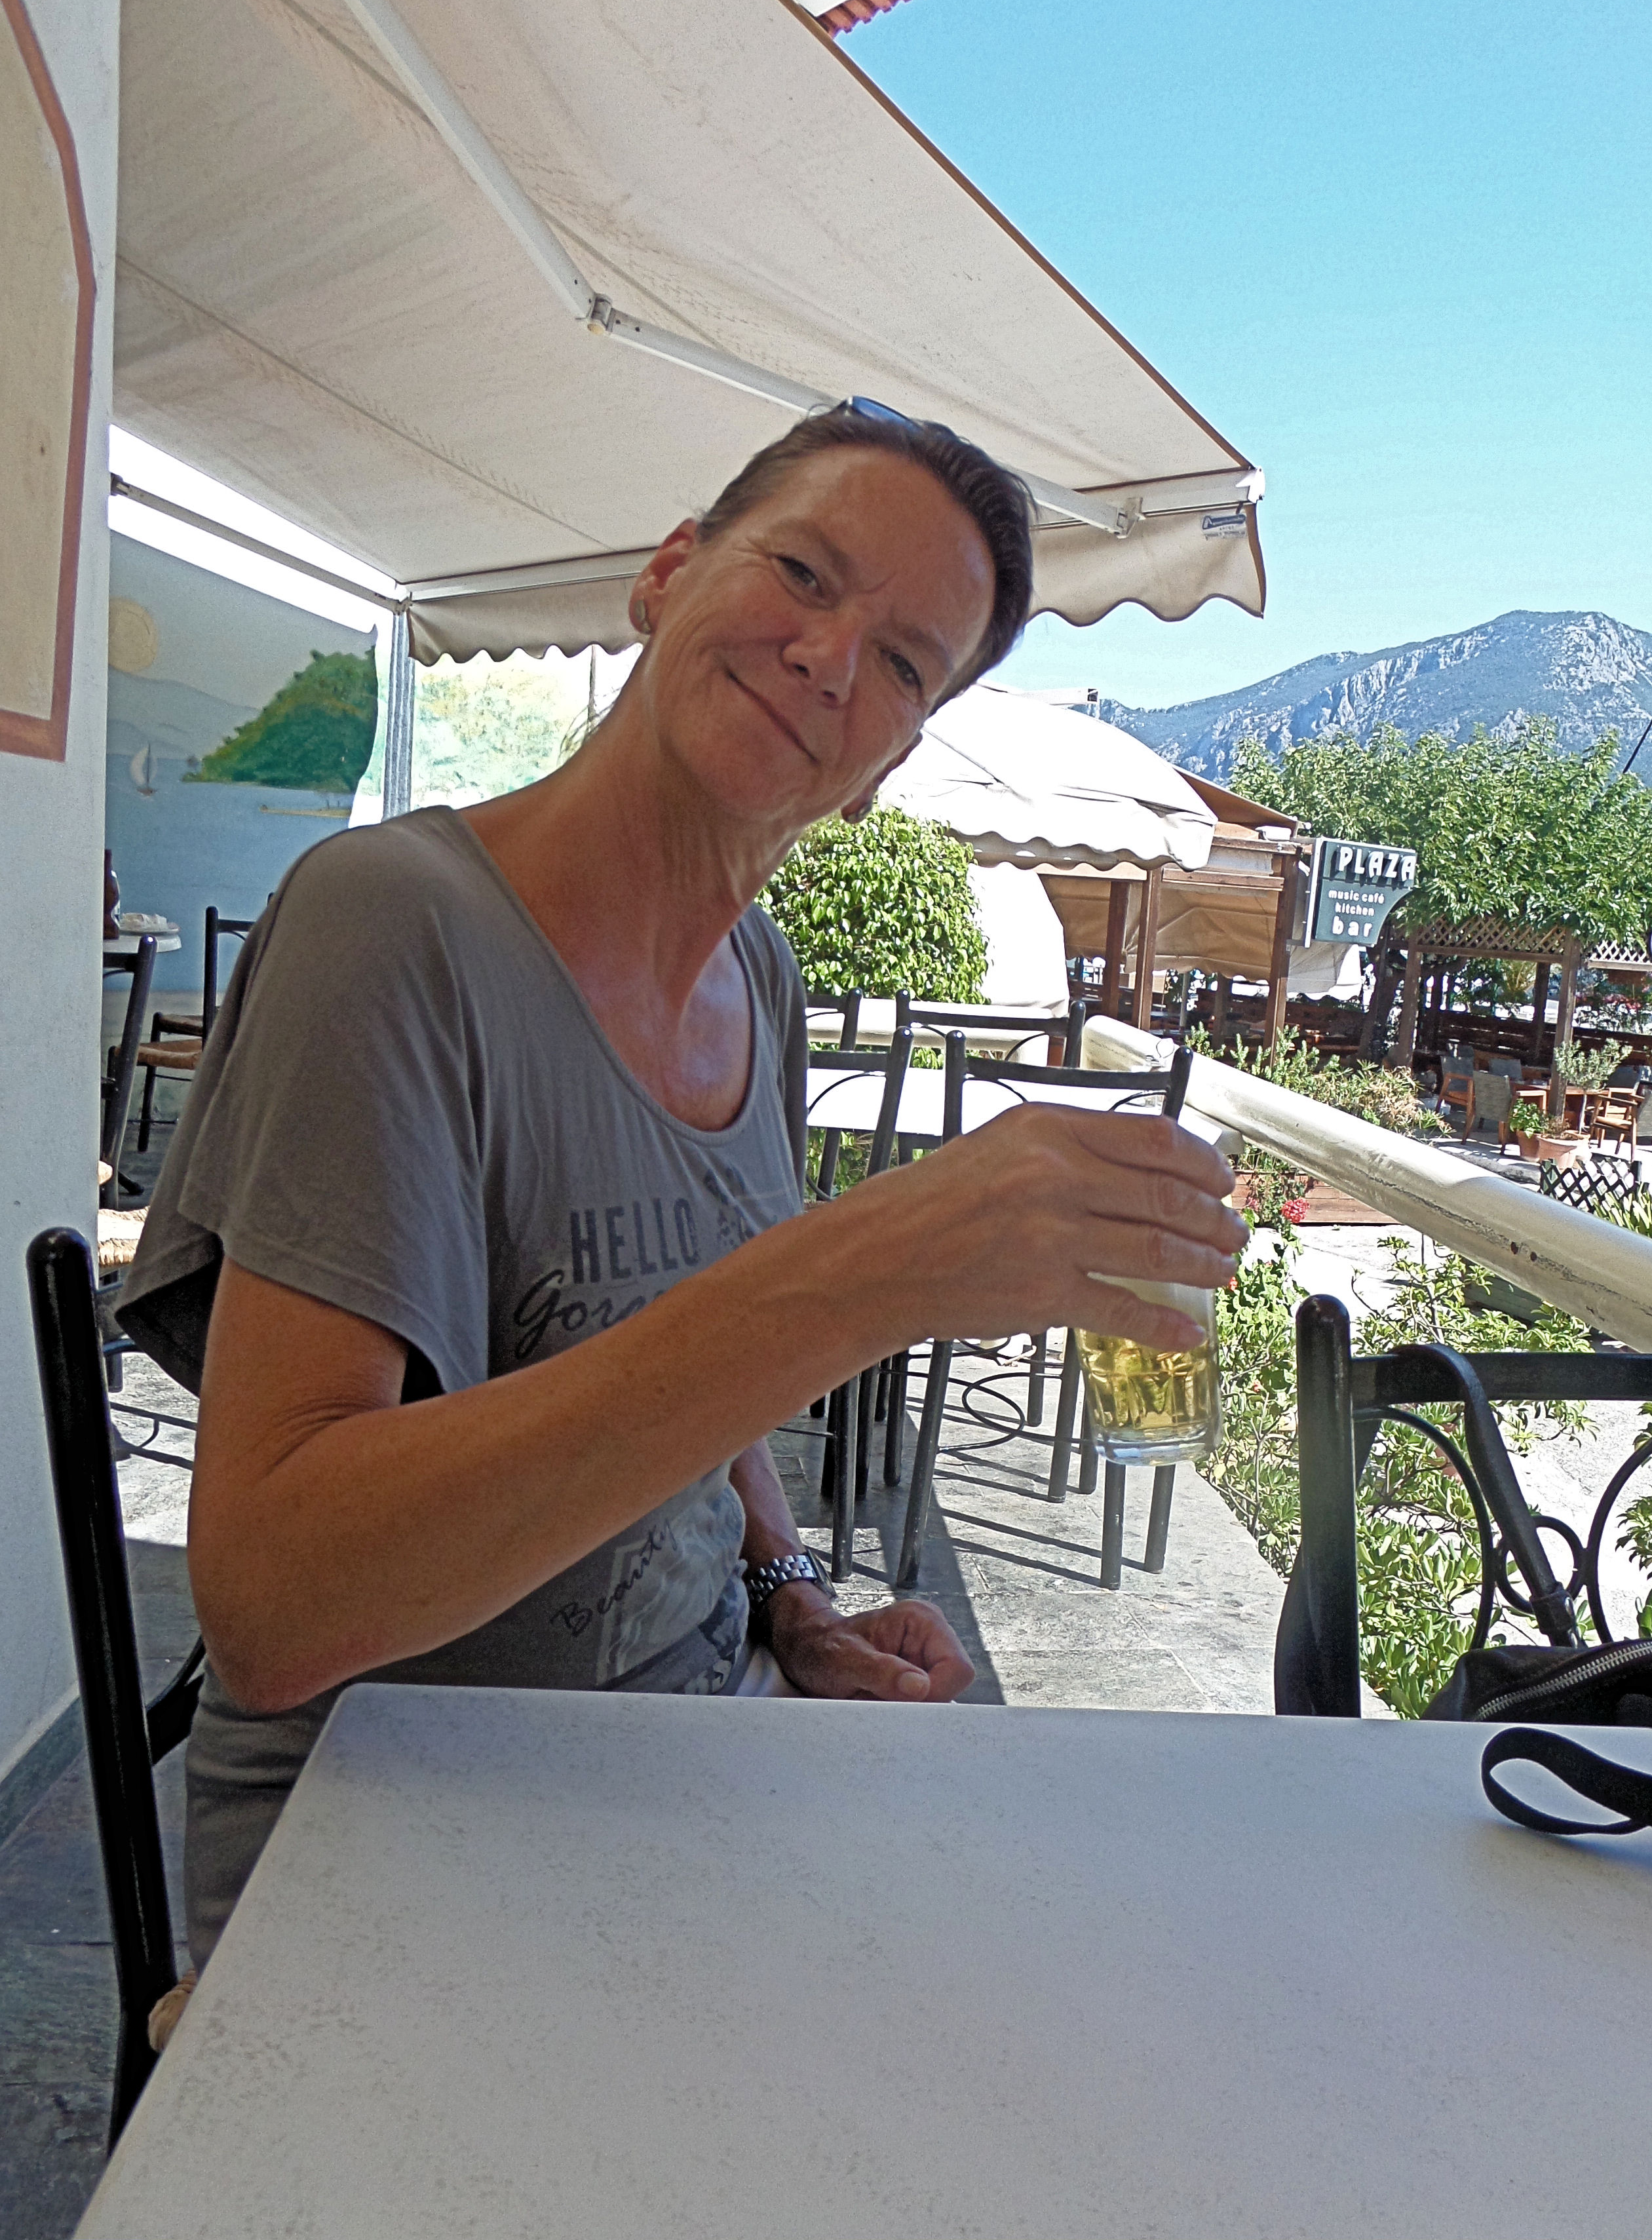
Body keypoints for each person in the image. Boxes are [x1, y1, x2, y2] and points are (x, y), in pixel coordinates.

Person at [120, 405, 1246, 1968]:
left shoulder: (759, 982)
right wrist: (859, 1276)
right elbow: (275, 1607)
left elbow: (687, 1380)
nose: (830, 656)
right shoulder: (390, 925)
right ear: (665, 576)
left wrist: (794, 1598)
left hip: (689, 1762)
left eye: (903, 662)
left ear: (889, 764)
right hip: (398, 1858)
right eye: (803, 572)